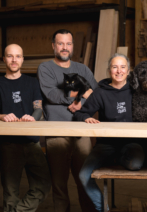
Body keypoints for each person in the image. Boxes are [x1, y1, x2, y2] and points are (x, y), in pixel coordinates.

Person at [75, 53, 147, 212]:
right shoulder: (100, 92)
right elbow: (80, 113)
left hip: (131, 142)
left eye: (122, 67)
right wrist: (86, 118)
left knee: (135, 164)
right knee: (83, 176)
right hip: (105, 144)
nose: (118, 71)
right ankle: (103, 208)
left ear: (128, 71)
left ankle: (115, 158)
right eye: (114, 67)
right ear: (109, 70)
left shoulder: (136, 89)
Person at [37, 29, 98, 212]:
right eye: (61, 44)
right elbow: (52, 94)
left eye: (68, 44)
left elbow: (95, 94)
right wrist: (79, 97)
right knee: (59, 183)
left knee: (86, 180)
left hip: (81, 131)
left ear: (73, 46)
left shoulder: (82, 69)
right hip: (56, 132)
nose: (65, 48)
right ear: (54, 46)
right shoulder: (45, 68)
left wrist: (81, 103)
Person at [0, 44, 51, 212]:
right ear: (4, 59)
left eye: (18, 56)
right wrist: (3, 116)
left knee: (43, 184)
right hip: (8, 144)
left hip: (31, 142)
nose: (14, 60)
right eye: (10, 56)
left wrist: (33, 117)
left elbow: (38, 108)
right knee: (10, 191)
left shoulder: (32, 83)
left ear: (22, 59)